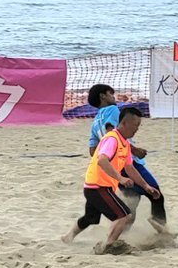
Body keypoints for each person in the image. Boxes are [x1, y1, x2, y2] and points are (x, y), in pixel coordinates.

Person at [63, 107, 160, 252]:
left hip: (97, 186)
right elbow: (102, 160)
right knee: (124, 215)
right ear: (125, 123)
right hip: (97, 186)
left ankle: (67, 237)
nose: (137, 129)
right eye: (135, 125)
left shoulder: (125, 143)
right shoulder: (112, 139)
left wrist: (146, 186)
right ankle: (108, 245)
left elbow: (130, 168)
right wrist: (120, 178)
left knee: (90, 217)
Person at [85, 84, 169, 233]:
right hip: (129, 163)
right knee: (156, 194)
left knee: (131, 205)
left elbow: (93, 151)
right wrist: (134, 150)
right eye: (111, 94)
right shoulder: (112, 110)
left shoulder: (95, 121)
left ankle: (121, 236)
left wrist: (108, 156)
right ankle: (162, 227)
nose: (114, 97)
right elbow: (113, 133)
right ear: (102, 96)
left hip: (116, 167)